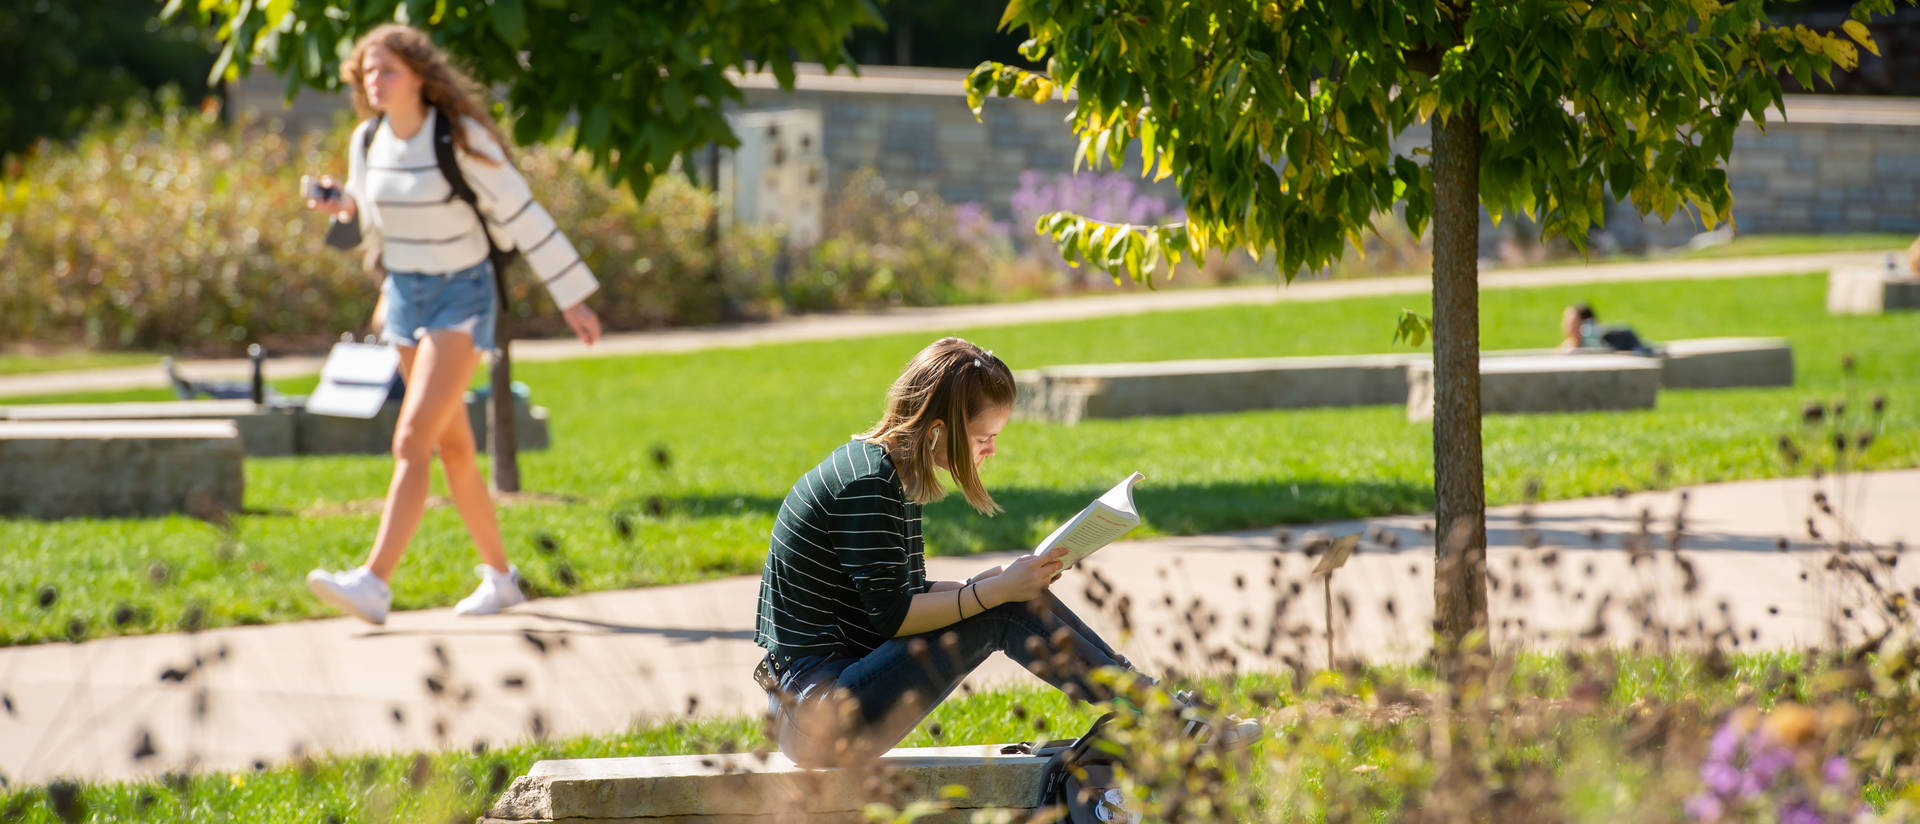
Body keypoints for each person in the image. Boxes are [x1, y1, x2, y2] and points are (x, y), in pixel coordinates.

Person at [753, 337, 1260, 767]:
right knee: (1003, 607)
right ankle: (1162, 720)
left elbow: (905, 597)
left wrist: (995, 583)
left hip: (827, 700)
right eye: (983, 437)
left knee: (1009, 598)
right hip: (816, 716)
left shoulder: (886, 472)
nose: (990, 450)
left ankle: (1159, 715)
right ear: (937, 431)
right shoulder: (868, 483)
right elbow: (895, 617)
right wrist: (993, 593)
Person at [301, 24, 602, 624]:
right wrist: (343, 206)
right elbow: (371, 220)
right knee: (453, 446)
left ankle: (374, 583)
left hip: (462, 296)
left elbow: (522, 212)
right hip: (406, 297)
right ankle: (501, 577)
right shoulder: (369, 141)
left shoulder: (459, 137)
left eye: (386, 70)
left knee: (411, 438)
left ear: (419, 74)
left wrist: (572, 296)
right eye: (366, 73)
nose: (374, 82)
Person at [1559, 302, 1657, 356]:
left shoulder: (1605, 340)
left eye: (1572, 322)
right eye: (1566, 320)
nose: (1567, 325)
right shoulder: (1567, 346)